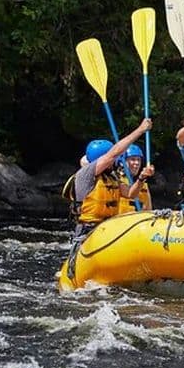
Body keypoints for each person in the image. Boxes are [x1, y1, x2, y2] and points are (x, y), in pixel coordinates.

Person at [63, 118, 152, 278]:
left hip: (109, 229)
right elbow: (114, 153)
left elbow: (131, 193)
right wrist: (140, 130)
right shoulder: (86, 175)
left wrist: (142, 178)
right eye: (111, 159)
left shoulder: (112, 178)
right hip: (88, 231)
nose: (116, 161)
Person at [117, 144, 154, 213]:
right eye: (132, 159)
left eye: (138, 160)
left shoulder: (144, 185)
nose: (137, 163)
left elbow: (148, 210)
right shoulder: (117, 181)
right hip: (120, 221)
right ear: (122, 162)